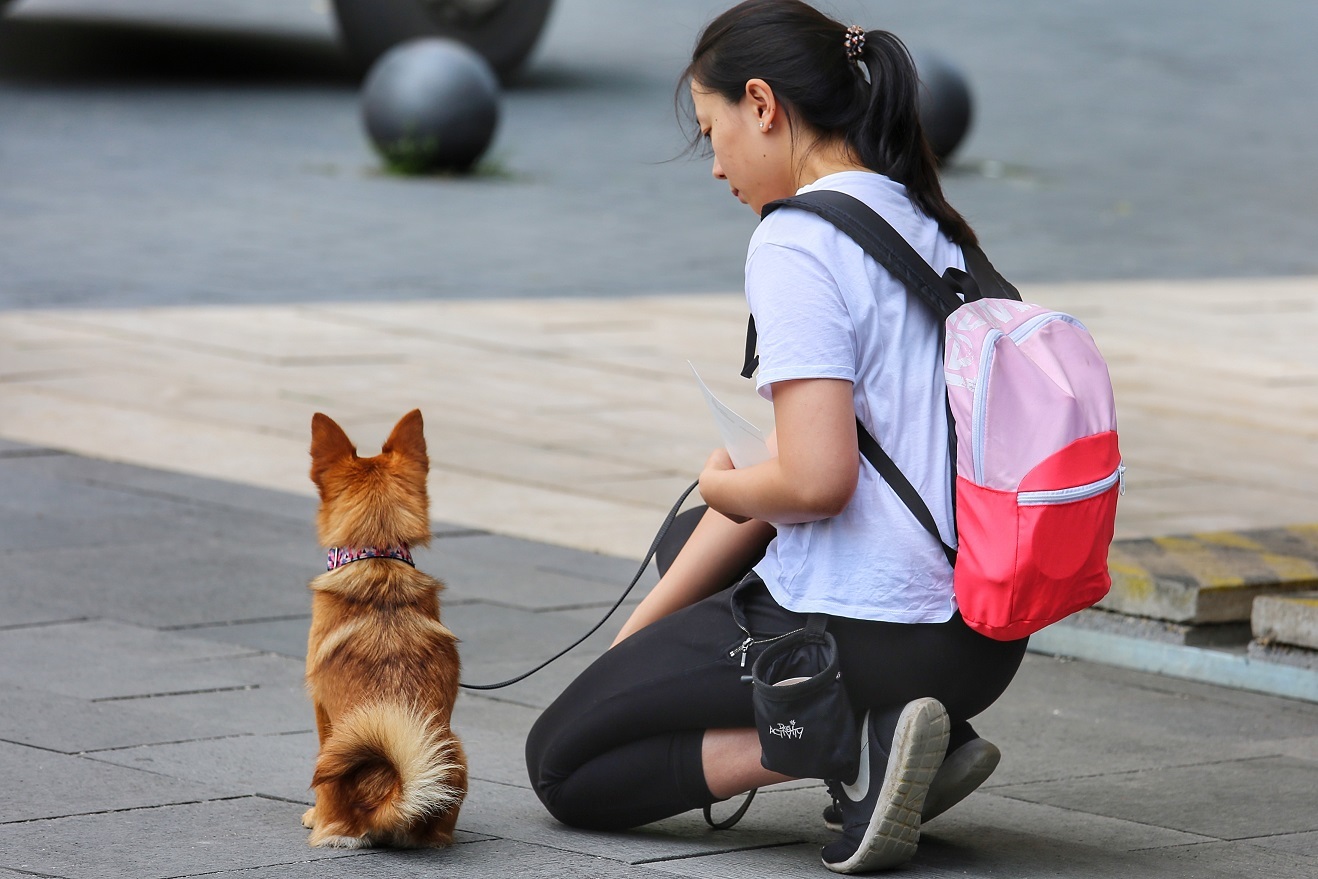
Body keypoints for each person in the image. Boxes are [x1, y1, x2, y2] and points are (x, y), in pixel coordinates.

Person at [525, 1, 1028, 872]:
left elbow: (817, 481)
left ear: (762, 105)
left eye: (711, 128)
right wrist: (630, 648)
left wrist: (727, 485)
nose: (713, 163)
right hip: (980, 635)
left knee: (564, 761)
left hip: (874, 626)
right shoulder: (923, 219)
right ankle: (927, 733)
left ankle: (844, 739)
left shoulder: (796, 241)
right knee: (688, 540)